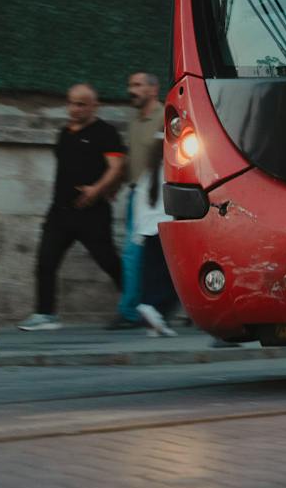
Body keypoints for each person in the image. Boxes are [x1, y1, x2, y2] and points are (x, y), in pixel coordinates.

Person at [18, 83, 127, 332]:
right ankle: (45, 315)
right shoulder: (64, 134)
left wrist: (96, 190)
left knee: (109, 261)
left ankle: (137, 305)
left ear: (94, 106)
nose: (74, 109)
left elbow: (117, 167)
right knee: (45, 261)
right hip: (60, 212)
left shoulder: (105, 133)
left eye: (81, 104)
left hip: (92, 213)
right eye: (71, 103)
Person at [108, 71, 164, 330]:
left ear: (154, 90)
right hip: (136, 196)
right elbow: (131, 159)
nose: (132, 90)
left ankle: (134, 311)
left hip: (160, 197)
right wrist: (117, 185)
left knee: (153, 256)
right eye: (130, 85)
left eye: (138, 85)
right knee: (135, 255)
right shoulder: (134, 122)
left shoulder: (165, 117)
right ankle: (135, 310)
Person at [130, 108, 180, 337]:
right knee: (172, 279)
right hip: (167, 231)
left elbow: (139, 203)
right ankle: (154, 309)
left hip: (150, 232)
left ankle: (155, 320)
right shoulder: (172, 172)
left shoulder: (148, 174)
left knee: (153, 275)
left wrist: (138, 234)